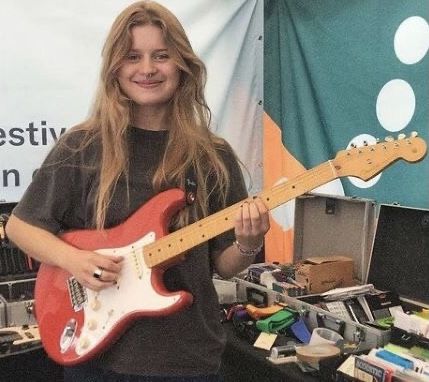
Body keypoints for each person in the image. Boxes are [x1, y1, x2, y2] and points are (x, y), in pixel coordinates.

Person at [6, 1, 269, 381]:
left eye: (161, 56)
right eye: (133, 56)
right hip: (96, 354)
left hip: (186, 355)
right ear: (115, 67)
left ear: (182, 65)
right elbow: (20, 227)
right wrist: (73, 260)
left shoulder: (212, 156)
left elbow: (220, 263)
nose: (147, 69)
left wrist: (248, 243)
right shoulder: (82, 146)